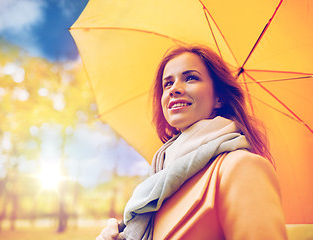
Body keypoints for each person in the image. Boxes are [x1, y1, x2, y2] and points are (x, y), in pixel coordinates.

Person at [96, 45, 288, 240]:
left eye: (190, 78)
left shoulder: (242, 167)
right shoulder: (158, 184)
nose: (174, 89)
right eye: (167, 84)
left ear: (219, 98)